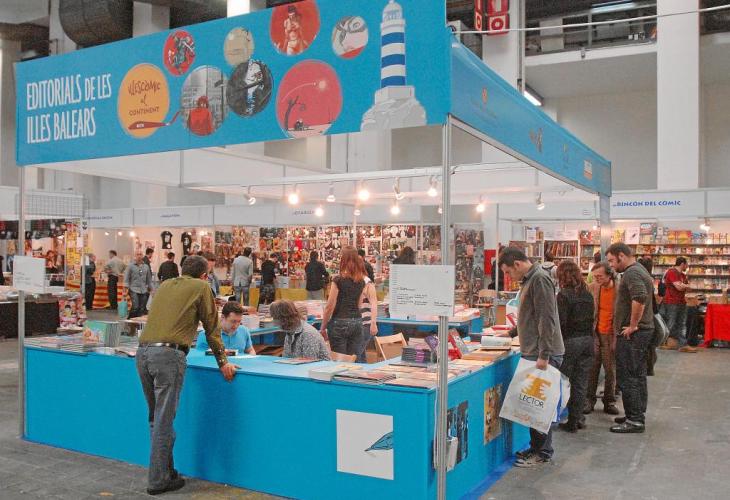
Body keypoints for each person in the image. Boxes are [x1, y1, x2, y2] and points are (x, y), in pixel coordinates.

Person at [136, 255, 238, 495]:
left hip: (143, 353)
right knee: (163, 421)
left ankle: (167, 472)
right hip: (168, 356)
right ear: (204, 275)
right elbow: (212, 330)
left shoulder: (165, 285)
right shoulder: (202, 287)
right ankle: (158, 480)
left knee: (156, 418)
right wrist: (223, 362)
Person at [498, 247, 564, 467]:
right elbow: (530, 315)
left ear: (517, 264)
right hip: (534, 352)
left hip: (542, 354)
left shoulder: (539, 280)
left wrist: (544, 354)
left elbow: (547, 318)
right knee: (531, 406)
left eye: (508, 272)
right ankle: (536, 447)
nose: (509, 277)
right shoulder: (530, 280)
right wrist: (510, 333)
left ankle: (543, 453)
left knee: (539, 407)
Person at [606, 243, 655, 434]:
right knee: (637, 374)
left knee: (628, 376)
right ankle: (635, 413)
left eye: (612, 260)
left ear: (621, 255)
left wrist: (633, 325)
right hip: (641, 332)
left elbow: (640, 297)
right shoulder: (639, 270)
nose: (611, 265)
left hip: (634, 334)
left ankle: (634, 419)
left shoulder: (632, 273)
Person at [555, 260, 595, 433]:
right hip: (587, 340)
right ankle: (576, 419)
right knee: (580, 382)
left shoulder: (563, 295)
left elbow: (561, 323)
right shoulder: (587, 295)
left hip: (571, 342)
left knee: (564, 381)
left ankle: (563, 417)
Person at [321, 247, 378, 357]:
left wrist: (323, 327)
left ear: (343, 260)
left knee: (339, 360)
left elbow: (330, 306)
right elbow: (359, 305)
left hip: (339, 321)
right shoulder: (361, 281)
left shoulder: (338, 280)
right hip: (357, 322)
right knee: (353, 360)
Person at [586, 262, 620, 415]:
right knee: (592, 369)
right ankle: (589, 400)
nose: (597, 279)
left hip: (611, 335)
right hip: (595, 333)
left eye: (599, 276)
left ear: (609, 275)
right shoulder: (593, 287)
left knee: (610, 371)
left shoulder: (619, 290)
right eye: (595, 276)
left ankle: (609, 401)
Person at [660, 257, 696, 353]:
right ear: (682, 264)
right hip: (671, 302)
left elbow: (688, 287)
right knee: (671, 323)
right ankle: (664, 342)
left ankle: (679, 344)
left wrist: (683, 286)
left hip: (681, 302)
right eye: (686, 264)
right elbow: (679, 287)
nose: (687, 266)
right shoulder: (672, 272)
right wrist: (684, 286)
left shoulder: (682, 275)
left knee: (681, 324)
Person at [638, 257, 661, 375]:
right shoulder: (649, 280)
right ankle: (649, 367)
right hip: (650, 316)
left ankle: (646, 367)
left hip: (643, 317)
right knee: (650, 345)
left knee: (643, 346)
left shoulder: (641, 279)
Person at [124, 253, 153, 319]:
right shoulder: (130, 266)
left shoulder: (146, 266)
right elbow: (126, 278)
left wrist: (152, 290)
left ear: (142, 256)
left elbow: (149, 280)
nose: (139, 256)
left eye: (140, 254)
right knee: (135, 307)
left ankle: (137, 322)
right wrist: (125, 290)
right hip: (133, 289)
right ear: (135, 256)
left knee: (141, 308)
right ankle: (129, 320)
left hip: (143, 290)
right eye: (137, 254)